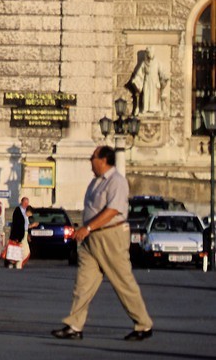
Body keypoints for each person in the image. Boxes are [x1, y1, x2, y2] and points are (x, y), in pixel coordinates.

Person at [52, 146, 153, 341]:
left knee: (123, 281)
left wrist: (88, 228)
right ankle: (74, 325)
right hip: (91, 238)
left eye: (93, 157)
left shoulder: (117, 182)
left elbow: (113, 210)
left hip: (110, 236)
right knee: (83, 284)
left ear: (103, 160)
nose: (90, 161)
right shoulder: (94, 182)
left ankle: (143, 324)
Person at [6, 196, 32, 270]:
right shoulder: (18, 211)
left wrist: (28, 234)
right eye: (25, 203)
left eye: (27, 203)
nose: (26, 204)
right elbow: (16, 225)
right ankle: (18, 264)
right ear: (21, 202)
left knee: (26, 251)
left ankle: (18, 263)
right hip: (19, 235)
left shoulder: (26, 212)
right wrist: (17, 237)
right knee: (24, 251)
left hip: (25, 234)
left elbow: (26, 224)